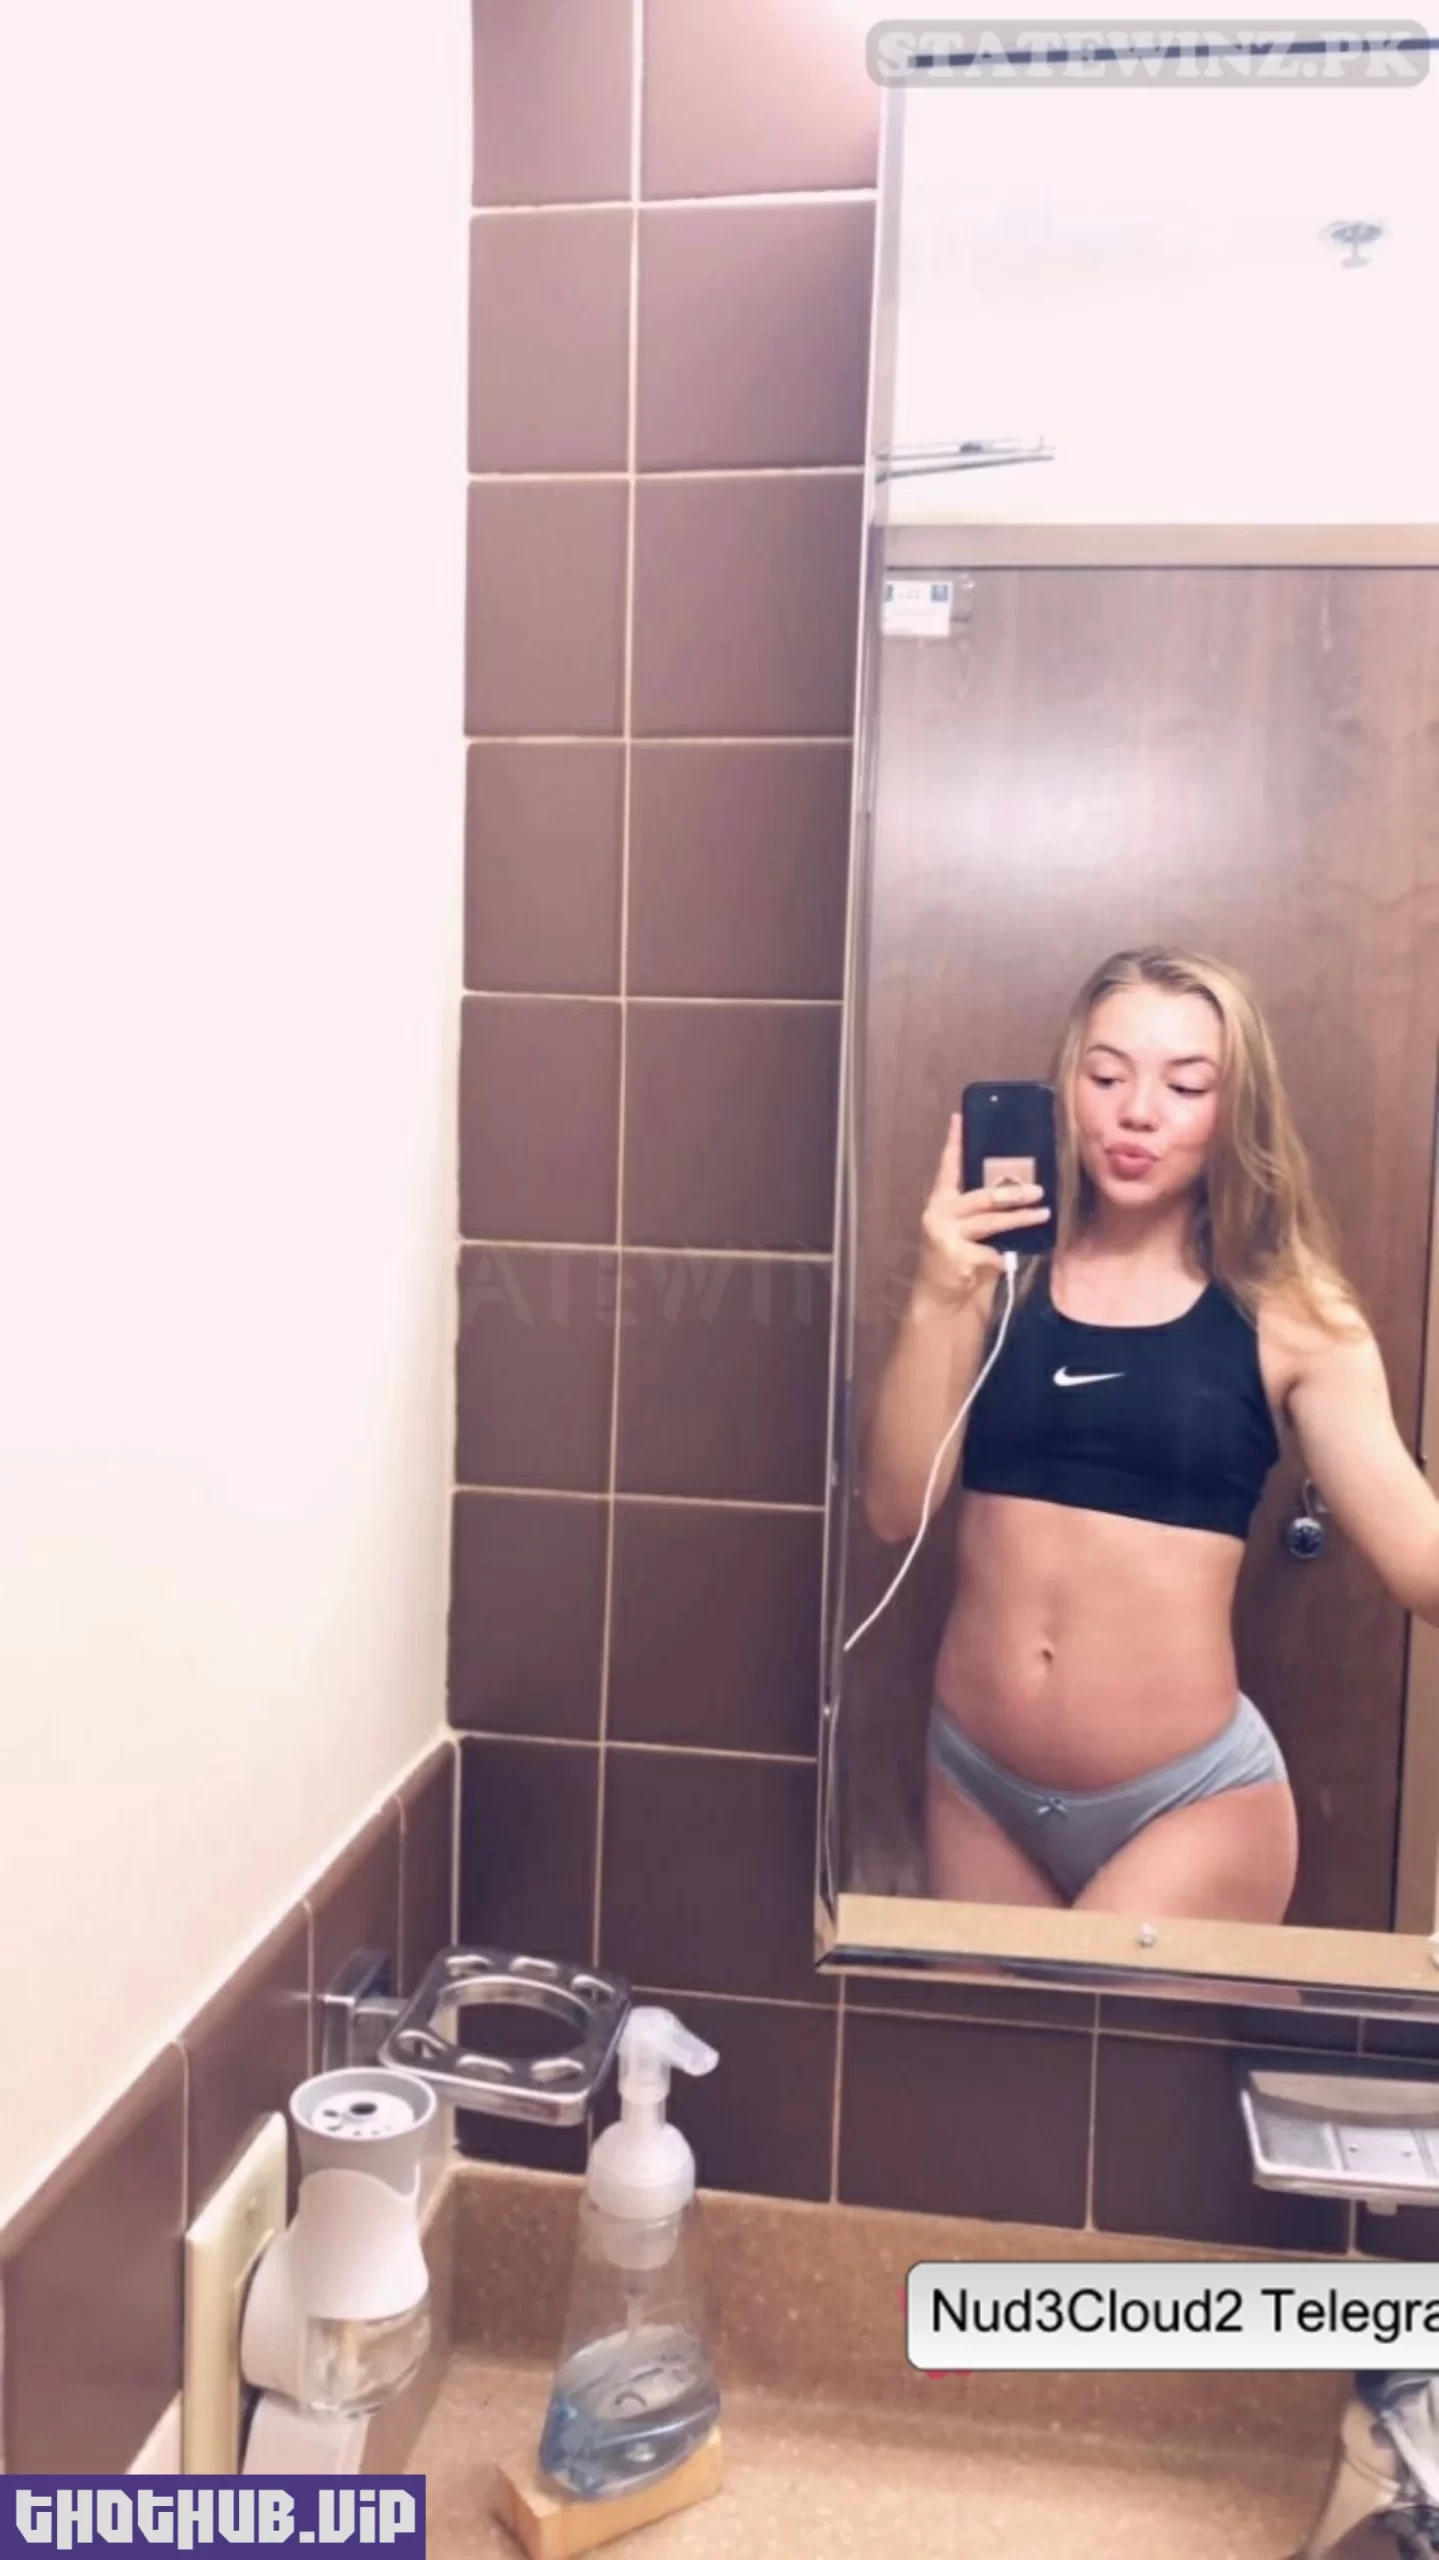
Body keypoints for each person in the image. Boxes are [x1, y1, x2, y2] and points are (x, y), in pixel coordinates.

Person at [861, 946, 1439, 1922]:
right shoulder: (995, 1278)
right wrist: (935, 1293)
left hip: (1187, 1805)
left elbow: (1418, 1558)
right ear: (1066, 1087)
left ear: (1233, 1109)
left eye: (1184, 1085)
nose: (1136, 1112)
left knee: (1111, 2032)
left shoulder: (1293, 1315)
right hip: (974, 1784)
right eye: (1105, 1076)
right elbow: (890, 1511)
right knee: (989, 2032)